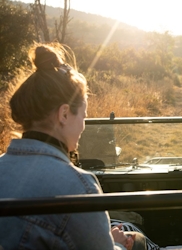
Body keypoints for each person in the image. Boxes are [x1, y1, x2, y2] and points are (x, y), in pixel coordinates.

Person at [0, 42, 146, 250]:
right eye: (84, 116)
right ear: (65, 114)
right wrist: (120, 245)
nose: (83, 126)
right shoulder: (78, 187)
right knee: (138, 239)